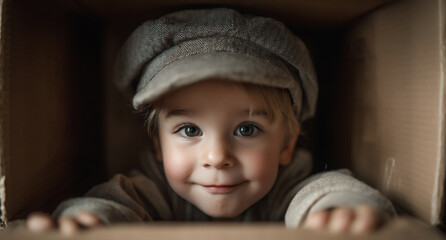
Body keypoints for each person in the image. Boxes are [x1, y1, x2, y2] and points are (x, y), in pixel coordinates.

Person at [26, 8, 396, 235]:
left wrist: (340, 208)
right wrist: (90, 219)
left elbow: (321, 190)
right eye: (189, 130)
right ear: (158, 144)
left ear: (286, 144)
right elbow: (116, 203)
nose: (217, 157)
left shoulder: (285, 187)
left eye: (246, 129)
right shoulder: (155, 189)